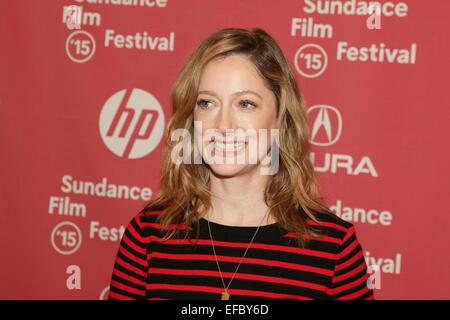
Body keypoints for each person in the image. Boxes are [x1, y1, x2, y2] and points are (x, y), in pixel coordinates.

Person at [108, 27, 375, 300]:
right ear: (191, 117)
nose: (223, 125)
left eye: (246, 104)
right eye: (207, 103)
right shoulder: (148, 236)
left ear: (280, 118)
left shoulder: (332, 247)